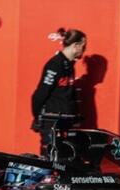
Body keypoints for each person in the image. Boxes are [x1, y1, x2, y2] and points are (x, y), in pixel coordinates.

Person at [31, 28, 87, 156]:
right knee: (51, 159)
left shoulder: (69, 65)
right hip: (52, 122)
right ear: (75, 45)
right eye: (83, 46)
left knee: (66, 159)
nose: (84, 50)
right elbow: (40, 93)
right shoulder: (55, 64)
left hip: (65, 122)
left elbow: (67, 94)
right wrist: (37, 117)